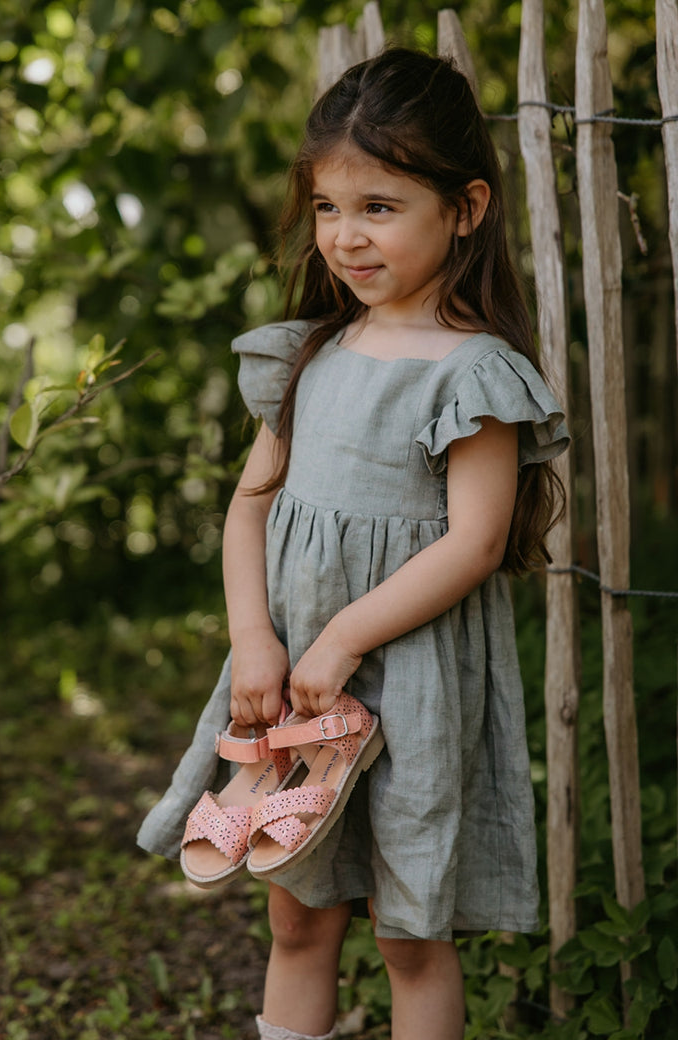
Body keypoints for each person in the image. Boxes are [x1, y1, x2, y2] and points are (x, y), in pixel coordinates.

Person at [138, 47, 569, 1040]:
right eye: (328, 208)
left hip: (408, 680)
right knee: (294, 913)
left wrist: (343, 639)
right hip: (289, 684)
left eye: (378, 206)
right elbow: (249, 506)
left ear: (463, 208)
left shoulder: (473, 372)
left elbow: (473, 540)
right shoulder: (312, 352)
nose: (343, 236)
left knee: (410, 932)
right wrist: (258, 639)